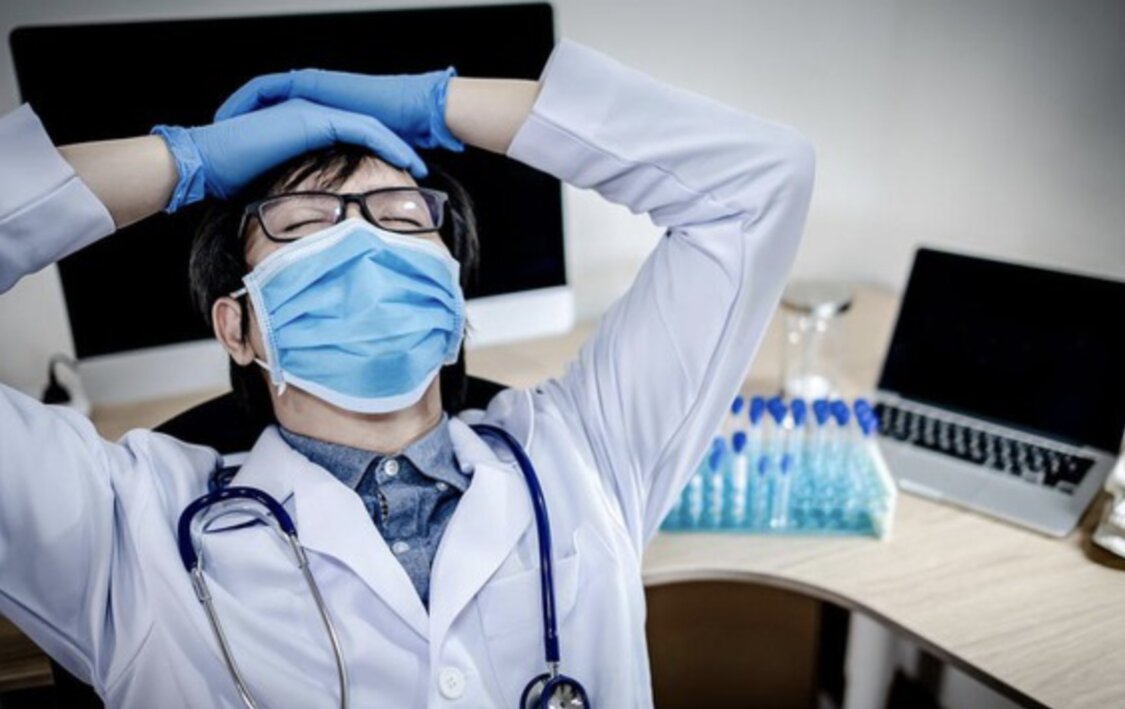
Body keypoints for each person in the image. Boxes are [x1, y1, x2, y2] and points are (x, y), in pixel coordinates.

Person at [0, 39, 814, 707]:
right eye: (304, 224)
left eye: (400, 216)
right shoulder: (124, 531)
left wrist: (437, 104)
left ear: (452, 299)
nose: (365, 243)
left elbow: (756, 180)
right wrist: (182, 161)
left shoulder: (581, 453)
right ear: (238, 326)